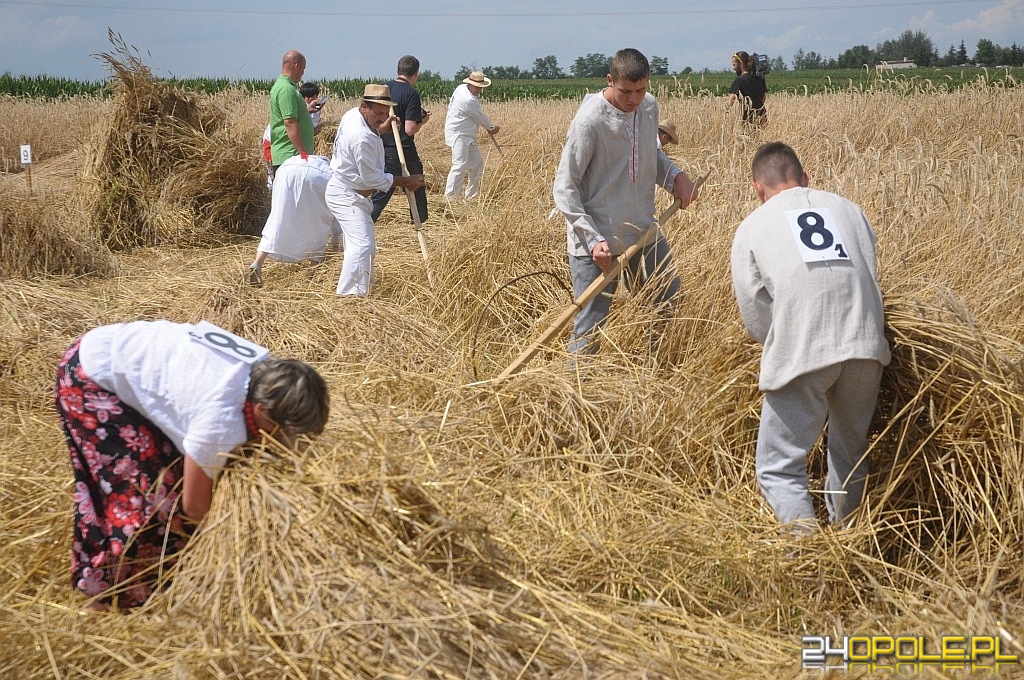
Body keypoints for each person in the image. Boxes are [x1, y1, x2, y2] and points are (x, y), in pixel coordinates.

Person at [55, 319, 330, 610]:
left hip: (117, 356)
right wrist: (233, 544)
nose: (283, 441)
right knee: (146, 498)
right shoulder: (220, 421)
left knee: (170, 473)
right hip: (91, 379)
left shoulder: (267, 373)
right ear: (261, 410)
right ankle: (106, 597)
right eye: (282, 432)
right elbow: (196, 508)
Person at [730, 142, 891, 532]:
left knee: (779, 468)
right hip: (867, 344)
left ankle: (807, 557)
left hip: (804, 346)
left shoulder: (753, 226)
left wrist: (785, 339)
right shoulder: (850, 209)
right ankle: (848, 539)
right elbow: (868, 272)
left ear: (757, 189)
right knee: (849, 452)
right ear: (805, 179)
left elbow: (754, 311)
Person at [553, 48, 699, 360]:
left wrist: (676, 177)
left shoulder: (648, 108)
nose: (633, 99)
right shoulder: (589, 121)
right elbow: (564, 188)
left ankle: (650, 371)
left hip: (642, 230)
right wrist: (593, 240)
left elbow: (649, 155)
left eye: (640, 90)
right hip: (597, 239)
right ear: (610, 80)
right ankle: (578, 394)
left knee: (666, 299)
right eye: (625, 92)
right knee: (592, 323)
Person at [325, 84, 424, 296]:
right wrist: (406, 181)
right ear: (364, 106)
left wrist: (383, 127)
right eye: (377, 113)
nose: (381, 117)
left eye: (384, 113)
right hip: (346, 195)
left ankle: (359, 292)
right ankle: (350, 296)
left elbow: (371, 133)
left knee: (363, 247)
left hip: (352, 194)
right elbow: (372, 178)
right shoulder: (361, 136)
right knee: (362, 246)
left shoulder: (353, 115)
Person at [247, 154, 338, 286]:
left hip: (287, 171)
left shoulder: (306, 159)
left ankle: (258, 262)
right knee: (318, 223)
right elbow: (335, 218)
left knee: (278, 218)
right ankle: (311, 276)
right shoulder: (332, 171)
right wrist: (335, 247)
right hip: (318, 177)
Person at [370, 55, 431, 224]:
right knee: (416, 184)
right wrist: (423, 121)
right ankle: (420, 223)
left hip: (381, 146)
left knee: (381, 189)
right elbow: (409, 129)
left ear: (398, 70)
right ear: (416, 73)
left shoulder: (384, 89)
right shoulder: (410, 93)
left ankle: (365, 222)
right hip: (402, 149)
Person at [444, 70, 500, 200]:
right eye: (477, 87)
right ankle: (450, 199)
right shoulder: (468, 99)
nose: (479, 90)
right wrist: (492, 128)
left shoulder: (461, 88)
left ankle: (472, 196)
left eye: (481, 87)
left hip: (467, 135)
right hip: (459, 134)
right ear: (470, 84)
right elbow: (480, 117)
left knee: (477, 163)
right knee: (459, 165)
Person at [262, 83, 324, 188]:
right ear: (305, 98)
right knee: (276, 179)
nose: (314, 100)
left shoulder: (308, 110)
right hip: (273, 143)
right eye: (310, 97)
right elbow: (290, 122)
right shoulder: (296, 107)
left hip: (282, 145)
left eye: (316, 97)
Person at [268, 50, 315, 172]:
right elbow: (290, 122)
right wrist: (302, 152)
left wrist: (306, 111)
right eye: (303, 69)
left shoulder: (283, 86)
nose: (303, 73)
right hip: (291, 156)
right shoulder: (286, 89)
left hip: (291, 157)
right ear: (296, 66)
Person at [727, 51, 768, 127]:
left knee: (749, 138)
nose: (733, 68)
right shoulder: (759, 78)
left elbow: (730, 102)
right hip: (762, 117)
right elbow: (763, 98)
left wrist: (724, 113)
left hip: (748, 119)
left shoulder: (740, 80)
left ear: (741, 64)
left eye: (734, 65)